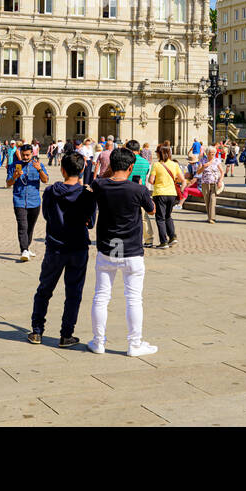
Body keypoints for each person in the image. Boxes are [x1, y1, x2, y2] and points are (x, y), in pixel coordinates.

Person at [88, 147, 158, 357]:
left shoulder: (99, 185)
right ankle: (134, 344)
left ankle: (98, 342)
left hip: (108, 249)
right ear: (130, 167)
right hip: (131, 251)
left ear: (110, 166)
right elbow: (152, 209)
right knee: (134, 298)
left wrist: (108, 171)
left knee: (101, 297)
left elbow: (99, 183)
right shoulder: (138, 190)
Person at [29, 152, 96, 347]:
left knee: (44, 289)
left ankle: (37, 331)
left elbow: (47, 216)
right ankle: (66, 334)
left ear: (62, 169)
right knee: (74, 292)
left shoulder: (50, 191)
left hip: (55, 247)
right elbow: (90, 223)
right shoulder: (87, 194)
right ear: (82, 170)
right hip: (78, 247)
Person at [9, 142, 48, 262]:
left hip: (34, 201)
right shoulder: (14, 165)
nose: (25, 157)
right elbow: (8, 183)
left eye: (27, 155)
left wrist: (40, 169)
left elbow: (46, 180)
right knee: (22, 226)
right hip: (19, 200)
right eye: (23, 155)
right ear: (20, 154)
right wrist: (15, 176)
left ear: (32, 154)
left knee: (30, 227)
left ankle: (27, 247)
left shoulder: (38, 165)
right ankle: (24, 250)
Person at [147, 144, 184, 248]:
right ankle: (172, 237)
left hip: (160, 193)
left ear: (159, 153)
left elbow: (151, 180)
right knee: (168, 216)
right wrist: (173, 181)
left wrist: (158, 182)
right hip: (172, 193)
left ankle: (163, 241)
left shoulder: (156, 165)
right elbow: (181, 179)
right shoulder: (174, 164)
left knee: (160, 218)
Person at [190, 145, 223, 223]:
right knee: (207, 200)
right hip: (205, 183)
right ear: (207, 153)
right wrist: (204, 167)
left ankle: (212, 218)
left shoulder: (217, 160)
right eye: (211, 153)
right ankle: (209, 217)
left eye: (214, 153)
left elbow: (222, 172)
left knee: (212, 200)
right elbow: (198, 172)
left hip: (214, 183)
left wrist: (220, 181)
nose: (212, 155)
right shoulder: (202, 160)